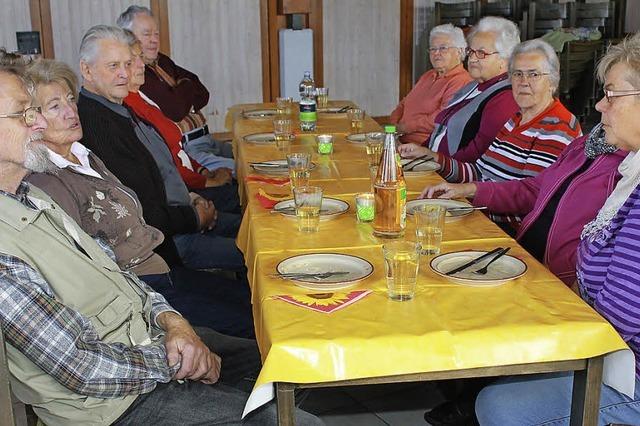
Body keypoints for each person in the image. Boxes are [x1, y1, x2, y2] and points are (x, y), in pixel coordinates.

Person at [0, 59, 321, 426]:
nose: (38, 123)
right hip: (113, 406)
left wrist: (174, 323)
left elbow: (121, 275)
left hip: (148, 342)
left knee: (291, 363)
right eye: (25, 114)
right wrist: (177, 361)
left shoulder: (30, 197)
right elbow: (80, 367)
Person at [475, 33, 640, 426]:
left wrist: (544, 307)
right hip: (595, 331)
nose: (599, 105)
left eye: (612, 95)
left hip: (627, 374)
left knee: (497, 405)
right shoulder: (623, 167)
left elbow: (619, 317)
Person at [24, 58, 254, 338]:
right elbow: (87, 272)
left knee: (254, 300)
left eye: (71, 100)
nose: (71, 111)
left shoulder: (85, 156)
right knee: (251, 321)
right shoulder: (49, 181)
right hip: (142, 292)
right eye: (55, 106)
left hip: (162, 267)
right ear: (32, 120)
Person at [77, 25, 244, 272]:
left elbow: (165, 173)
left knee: (257, 228)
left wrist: (193, 199)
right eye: (113, 66)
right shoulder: (98, 127)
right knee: (262, 253)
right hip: (168, 244)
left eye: (127, 63)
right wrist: (195, 217)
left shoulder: (119, 108)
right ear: (86, 70)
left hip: (180, 216)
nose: (124, 73)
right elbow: (145, 215)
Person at [421, 39, 582, 232]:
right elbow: (480, 172)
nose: (523, 82)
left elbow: (529, 196)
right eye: (517, 74)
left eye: (534, 74)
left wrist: (469, 190)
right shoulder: (515, 119)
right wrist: (433, 159)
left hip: (508, 234)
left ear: (552, 82)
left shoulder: (559, 127)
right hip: (481, 216)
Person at [122, 35, 241, 214]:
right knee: (245, 192)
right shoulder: (130, 108)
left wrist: (203, 172)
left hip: (194, 172)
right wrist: (208, 182)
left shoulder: (142, 94)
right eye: (133, 60)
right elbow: (168, 167)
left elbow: (200, 91)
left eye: (141, 57)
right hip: (185, 193)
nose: (141, 64)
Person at [117, 5, 235, 173]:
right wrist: (184, 89)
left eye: (156, 33)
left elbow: (202, 92)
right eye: (146, 34)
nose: (154, 40)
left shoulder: (161, 61)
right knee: (246, 171)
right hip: (189, 149)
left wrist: (181, 91)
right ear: (127, 38)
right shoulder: (138, 75)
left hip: (206, 138)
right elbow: (177, 109)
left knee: (254, 157)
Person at [398, 16, 520, 163]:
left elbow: (477, 154)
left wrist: (433, 162)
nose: (472, 59)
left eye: (481, 53)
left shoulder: (504, 98)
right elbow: (441, 128)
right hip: (434, 164)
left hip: (453, 177)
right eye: (471, 51)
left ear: (505, 59)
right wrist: (420, 152)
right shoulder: (473, 86)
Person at [389, 24, 472, 144]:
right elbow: (404, 103)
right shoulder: (428, 75)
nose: (436, 53)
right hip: (399, 139)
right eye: (433, 49)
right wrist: (392, 126)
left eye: (443, 48)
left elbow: (441, 118)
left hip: (424, 147)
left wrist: (404, 128)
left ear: (459, 51)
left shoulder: (461, 81)